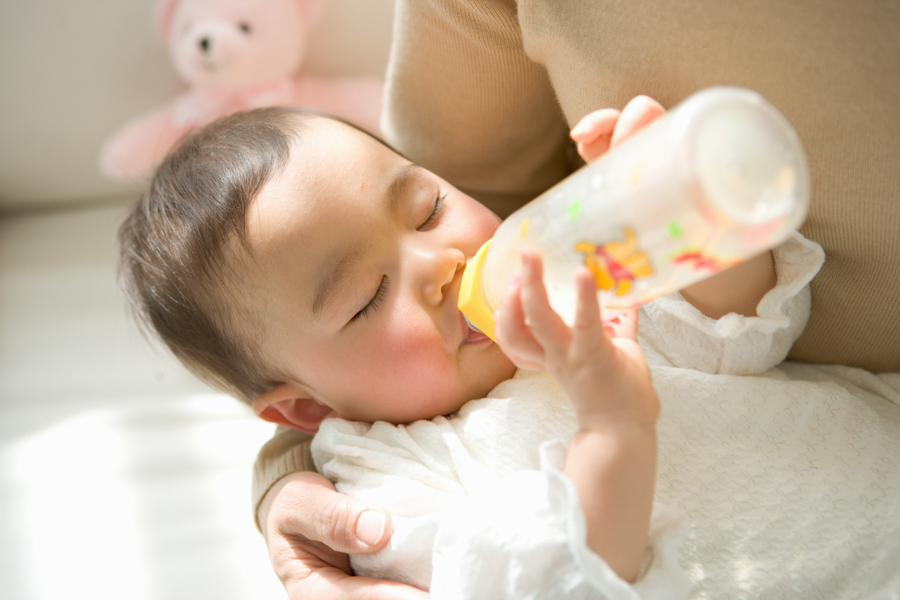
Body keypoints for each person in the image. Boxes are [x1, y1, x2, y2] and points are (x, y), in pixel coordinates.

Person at [119, 97, 900, 598]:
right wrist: (613, 430)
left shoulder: (577, 286)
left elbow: (741, 342)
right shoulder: (387, 482)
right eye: (365, 298)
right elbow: (544, 580)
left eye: (425, 209)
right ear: (307, 405)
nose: (438, 264)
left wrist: (682, 217)